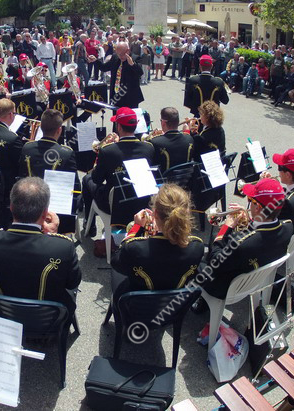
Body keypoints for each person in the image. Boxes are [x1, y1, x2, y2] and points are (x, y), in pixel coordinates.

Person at [0, 177, 81, 315]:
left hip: (5, 312)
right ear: (45, 213)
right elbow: (73, 282)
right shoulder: (63, 247)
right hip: (48, 320)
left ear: (11, 208)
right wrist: (52, 236)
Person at [197, 178, 293, 301]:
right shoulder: (288, 226)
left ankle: (199, 301)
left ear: (257, 206)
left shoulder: (243, 244)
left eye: (250, 200)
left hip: (226, 286)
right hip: (255, 277)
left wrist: (226, 228)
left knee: (197, 260)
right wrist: (252, 220)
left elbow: (214, 259)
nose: (249, 203)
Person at [110, 184, 204, 303]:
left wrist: (136, 227)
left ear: (155, 213)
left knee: (116, 274)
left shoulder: (134, 248)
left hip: (137, 306)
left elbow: (116, 262)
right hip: (174, 307)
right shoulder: (197, 246)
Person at [82, 107, 154, 254]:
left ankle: (89, 227)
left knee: (86, 179)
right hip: (141, 202)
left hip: (114, 204)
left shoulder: (107, 151)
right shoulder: (149, 148)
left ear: (119, 126)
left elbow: (97, 179)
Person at [19, 109, 78, 183]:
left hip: (28, 192)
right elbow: (75, 186)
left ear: (40, 127)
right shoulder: (67, 153)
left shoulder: (27, 148)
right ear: (59, 130)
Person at [94, 41, 144, 108]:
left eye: (122, 54)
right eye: (118, 54)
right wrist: (95, 61)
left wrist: (132, 64)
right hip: (116, 96)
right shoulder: (115, 57)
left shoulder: (135, 58)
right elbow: (104, 68)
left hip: (130, 97)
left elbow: (140, 73)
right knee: (116, 117)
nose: (120, 56)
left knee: (129, 118)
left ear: (128, 51)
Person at [149, 107, 194, 172]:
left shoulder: (155, 142)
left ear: (163, 123)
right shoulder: (189, 138)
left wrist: (158, 137)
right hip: (186, 179)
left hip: (165, 181)